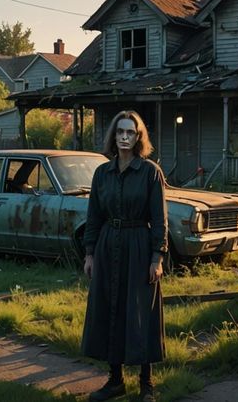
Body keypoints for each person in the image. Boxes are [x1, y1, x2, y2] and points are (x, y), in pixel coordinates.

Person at [80, 110, 167, 402]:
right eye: (120, 132)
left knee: (140, 311)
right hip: (107, 246)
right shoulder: (102, 173)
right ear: (114, 136)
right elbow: (93, 216)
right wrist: (89, 253)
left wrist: (157, 257)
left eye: (131, 132)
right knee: (110, 308)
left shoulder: (150, 172)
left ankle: (146, 383)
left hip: (139, 246)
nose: (125, 137)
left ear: (138, 137)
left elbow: (160, 219)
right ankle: (115, 380)